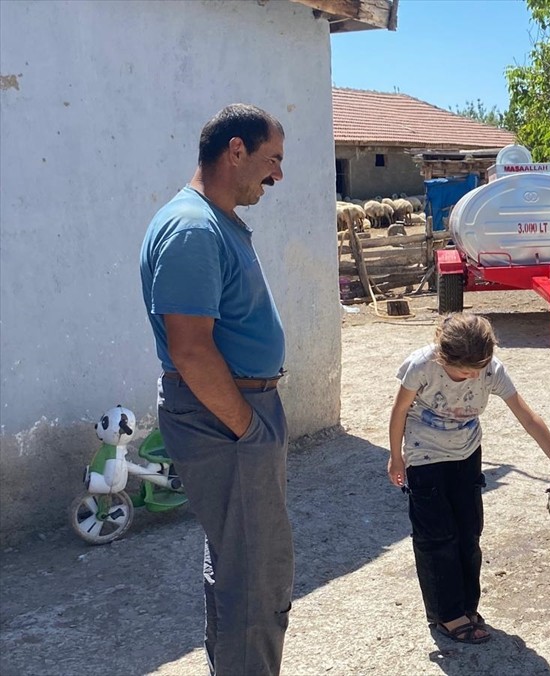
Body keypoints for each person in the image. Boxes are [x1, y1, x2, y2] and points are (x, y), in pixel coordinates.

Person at [140, 103, 292, 676]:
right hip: (228, 419)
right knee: (256, 577)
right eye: (272, 159)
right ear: (236, 150)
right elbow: (190, 348)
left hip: (239, 413)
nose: (277, 175)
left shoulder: (212, 221)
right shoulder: (192, 228)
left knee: (239, 563)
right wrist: (249, 428)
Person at [386, 313, 550, 644]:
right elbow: (399, 411)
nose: (472, 377)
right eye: (464, 372)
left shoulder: (490, 369)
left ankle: (467, 607)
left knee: (469, 534)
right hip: (424, 457)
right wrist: (396, 456)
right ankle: (447, 615)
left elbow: (527, 416)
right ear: (442, 357)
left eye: (477, 370)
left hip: (467, 455)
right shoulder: (421, 365)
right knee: (437, 537)